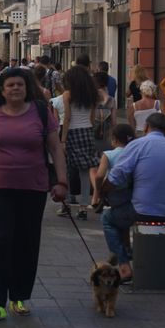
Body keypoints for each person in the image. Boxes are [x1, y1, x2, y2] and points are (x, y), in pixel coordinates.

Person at [0, 68, 68, 322]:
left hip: (34, 186)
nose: (15, 89)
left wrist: (62, 182)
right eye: (10, 85)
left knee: (27, 241)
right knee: (1, 239)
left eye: (19, 84)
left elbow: (55, 148)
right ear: (2, 89)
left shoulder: (41, 112)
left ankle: (20, 296)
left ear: (26, 87)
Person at [100, 113, 165, 283]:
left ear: (146, 127)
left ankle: (124, 266)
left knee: (108, 218)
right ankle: (129, 251)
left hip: (143, 211)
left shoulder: (139, 144)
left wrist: (103, 192)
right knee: (124, 213)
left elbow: (116, 176)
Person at [58, 65, 100, 219]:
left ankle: (67, 204)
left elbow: (67, 118)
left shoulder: (67, 95)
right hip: (87, 131)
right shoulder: (92, 94)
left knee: (68, 169)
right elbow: (92, 117)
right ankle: (83, 207)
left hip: (73, 132)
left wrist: (63, 139)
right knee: (85, 171)